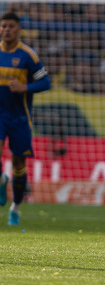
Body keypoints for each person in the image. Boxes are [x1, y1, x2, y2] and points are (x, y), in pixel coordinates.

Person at [0, 12, 51, 225]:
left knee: (19, 164)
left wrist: (25, 87)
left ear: (19, 29)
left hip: (20, 118)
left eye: (11, 26)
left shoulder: (28, 55)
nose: (6, 30)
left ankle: (16, 208)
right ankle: (1, 180)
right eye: (3, 26)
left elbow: (45, 83)